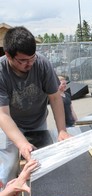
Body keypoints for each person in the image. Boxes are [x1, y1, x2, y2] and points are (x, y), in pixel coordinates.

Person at [0, 26, 70, 186]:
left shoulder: (42, 63)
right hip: (8, 125)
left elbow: (55, 98)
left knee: (39, 164)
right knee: (8, 166)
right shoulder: (1, 71)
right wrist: (22, 143)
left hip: (36, 123)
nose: (29, 63)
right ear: (8, 56)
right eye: (23, 60)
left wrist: (62, 130)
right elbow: (2, 115)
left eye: (32, 58)